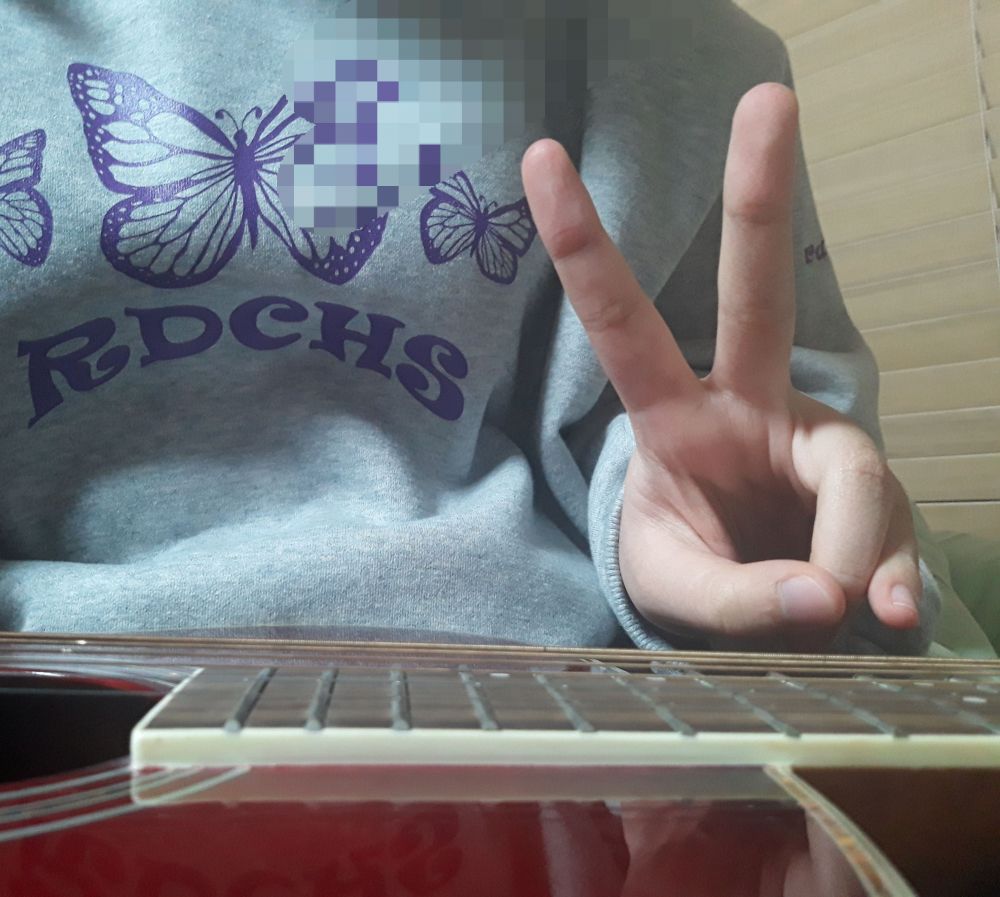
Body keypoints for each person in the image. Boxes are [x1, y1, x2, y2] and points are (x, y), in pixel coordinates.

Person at [0, 0, 941, 654]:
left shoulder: (696, 61)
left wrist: (743, 555)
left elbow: (733, 422)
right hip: (54, 707)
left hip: (557, 710)